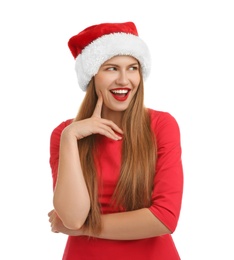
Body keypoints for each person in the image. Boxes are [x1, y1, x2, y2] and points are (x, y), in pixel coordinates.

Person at [48, 21, 184, 260]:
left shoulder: (162, 126)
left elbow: (164, 218)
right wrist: (71, 138)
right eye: (111, 69)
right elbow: (72, 217)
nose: (124, 80)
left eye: (132, 68)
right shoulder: (64, 133)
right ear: (92, 75)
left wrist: (82, 229)